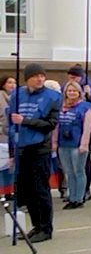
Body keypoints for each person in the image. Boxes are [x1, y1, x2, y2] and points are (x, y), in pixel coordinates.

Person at [8, 64, 61, 243]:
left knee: (40, 189)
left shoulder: (52, 97)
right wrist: (11, 151)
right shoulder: (17, 95)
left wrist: (26, 121)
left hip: (40, 148)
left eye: (42, 76)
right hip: (22, 147)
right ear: (27, 78)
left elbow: (50, 124)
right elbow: (10, 124)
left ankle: (46, 228)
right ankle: (36, 225)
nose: (40, 79)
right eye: (36, 76)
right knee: (27, 190)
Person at [66, 65, 91, 202]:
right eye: (69, 77)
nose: (71, 80)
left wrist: (89, 95)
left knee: (85, 160)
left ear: (80, 77)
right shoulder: (68, 87)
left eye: (73, 77)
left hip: (85, 127)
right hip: (69, 128)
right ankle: (74, 190)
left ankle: (86, 189)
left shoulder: (90, 87)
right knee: (70, 163)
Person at [56, 80, 91, 209]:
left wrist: (84, 144)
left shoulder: (85, 107)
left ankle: (79, 198)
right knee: (69, 172)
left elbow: (87, 127)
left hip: (77, 144)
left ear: (79, 92)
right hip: (63, 144)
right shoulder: (61, 106)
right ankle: (72, 198)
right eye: (69, 90)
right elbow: (56, 126)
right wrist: (55, 142)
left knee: (79, 171)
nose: (72, 93)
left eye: (74, 91)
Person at [0, 76, 15, 202]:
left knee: (9, 167)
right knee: (2, 166)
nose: (12, 85)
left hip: (10, 137)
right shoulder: (1, 97)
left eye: (14, 82)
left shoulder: (15, 98)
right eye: (9, 82)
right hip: (2, 136)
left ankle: (8, 191)